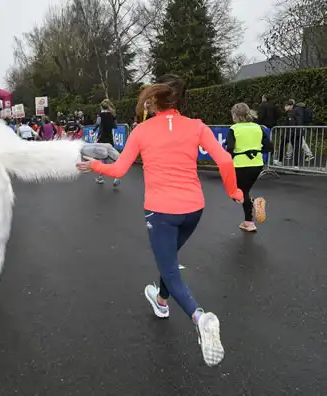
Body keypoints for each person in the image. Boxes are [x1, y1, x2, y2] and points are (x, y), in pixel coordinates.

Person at [76, 80, 244, 367]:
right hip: (194, 209)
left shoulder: (141, 131)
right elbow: (226, 161)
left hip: (161, 212)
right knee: (169, 262)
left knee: (170, 269)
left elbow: (118, 169)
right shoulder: (197, 126)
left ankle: (200, 318)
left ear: (153, 103)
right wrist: (234, 192)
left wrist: (93, 166)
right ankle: (161, 301)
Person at [226, 103, 273, 232]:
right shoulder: (258, 128)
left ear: (234, 115)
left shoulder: (234, 129)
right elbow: (269, 147)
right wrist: (255, 151)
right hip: (257, 165)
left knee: (237, 194)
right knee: (244, 191)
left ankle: (253, 203)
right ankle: (249, 222)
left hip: (240, 164)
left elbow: (229, 148)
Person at [92, 99, 121, 187]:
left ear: (101, 107)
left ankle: (101, 177)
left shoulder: (100, 115)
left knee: (103, 159)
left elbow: (97, 124)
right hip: (110, 139)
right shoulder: (112, 115)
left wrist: (94, 130)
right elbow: (115, 126)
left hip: (102, 139)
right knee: (112, 158)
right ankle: (117, 176)